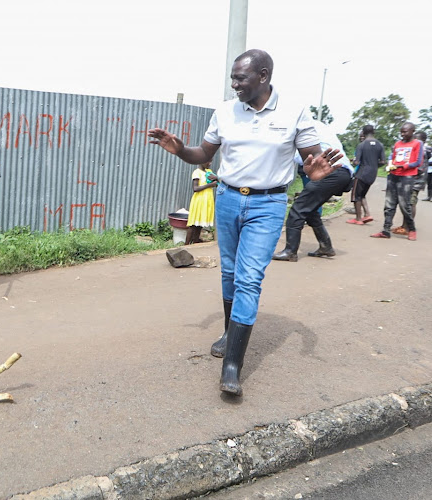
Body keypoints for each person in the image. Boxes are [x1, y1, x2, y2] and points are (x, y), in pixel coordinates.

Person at [148, 49, 342, 396]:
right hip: (227, 198)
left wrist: (313, 174)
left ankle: (232, 364)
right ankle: (228, 333)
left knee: (249, 279)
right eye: (233, 78)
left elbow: (312, 161)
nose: (234, 84)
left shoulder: (294, 112)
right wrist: (180, 150)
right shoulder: (224, 110)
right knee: (229, 273)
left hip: (267, 204)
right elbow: (204, 155)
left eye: (241, 78)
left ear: (264, 76)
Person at [272, 121, 353, 262]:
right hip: (342, 172)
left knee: (297, 210)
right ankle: (326, 247)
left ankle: (290, 252)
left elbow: (296, 155)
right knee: (311, 210)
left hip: (329, 171)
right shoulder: (318, 125)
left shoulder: (299, 127)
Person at [370, 122, 422, 241]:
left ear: (412, 131)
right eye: (401, 132)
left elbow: (418, 162)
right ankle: (386, 230)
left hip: (407, 177)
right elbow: (393, 158)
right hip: (393, 176)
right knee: (389, 204)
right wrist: (391, 166)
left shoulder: (417, 144)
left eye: (405, 132)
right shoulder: (398, 143)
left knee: (405, 205)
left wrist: (403, 166)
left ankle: (412, 229)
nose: (402, 134)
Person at [347, 125, 385, 225]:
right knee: (362, 195)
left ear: (363, 132)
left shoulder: (362, 145)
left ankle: (358, 219)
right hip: (372, 174)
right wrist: (373, 165)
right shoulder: (380, 145)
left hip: (361, 173)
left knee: (356, 196)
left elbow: (357, 162)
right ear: (374, 132)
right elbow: (383, 161)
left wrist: (353, 161)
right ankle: (367, 214)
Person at [185, 162, 218, 245]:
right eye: (208, 161)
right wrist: (210, 185)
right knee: (193, 223)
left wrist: (216, 178)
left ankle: (195, 241)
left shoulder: (209, 171)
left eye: (211, 161)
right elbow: (195, 188)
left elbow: (217, 184)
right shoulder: (196, 172)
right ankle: (186, 243)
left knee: (200, 222)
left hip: (207, 199)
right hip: (199, 199)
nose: (210, 163)